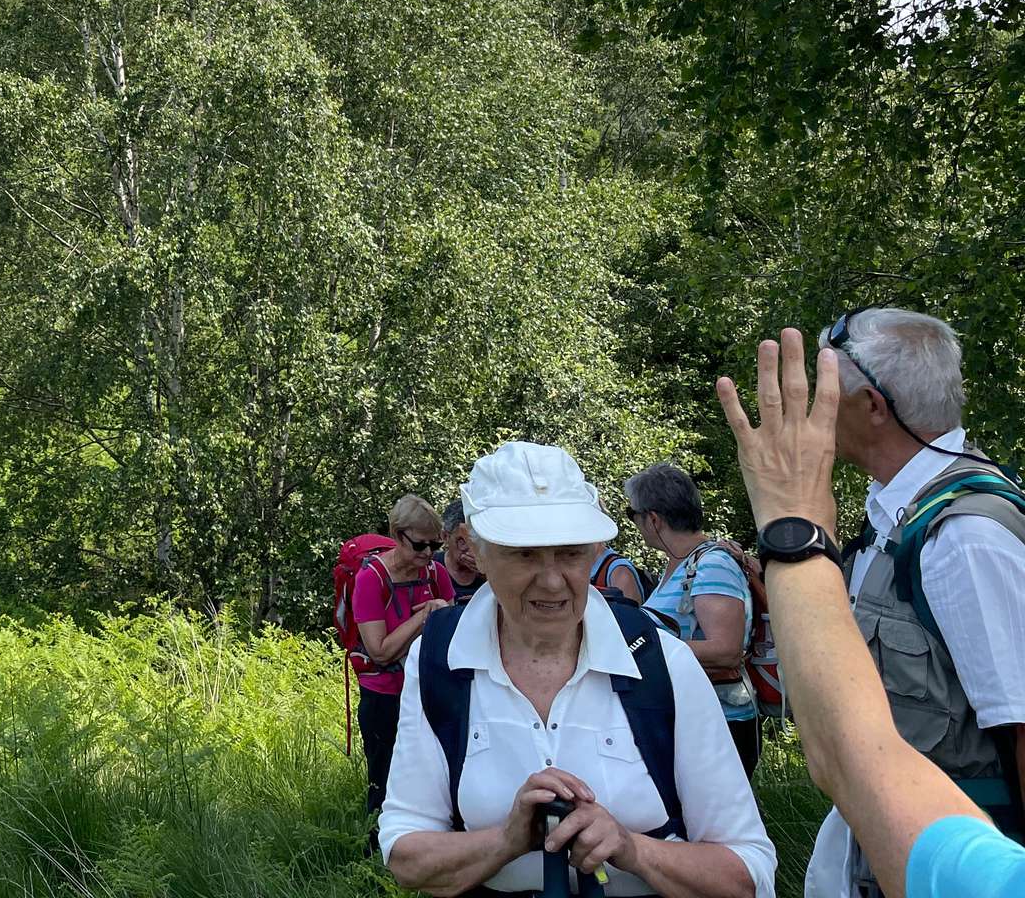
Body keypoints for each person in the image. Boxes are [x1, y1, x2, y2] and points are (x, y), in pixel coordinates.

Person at [381, 441, 774, 898]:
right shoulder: (439, 658)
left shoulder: (662, 662)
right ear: (475, 551)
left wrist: (631, 849)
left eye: (570, 553)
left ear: (595, 551)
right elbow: (406, 855)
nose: (552, 581)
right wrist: (507, 840)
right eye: (524, 554)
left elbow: (747, 872)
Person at [717, 328, 1025, 898]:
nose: (814, 406)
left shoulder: (965, 536)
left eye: (826, 389)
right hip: (900, 858)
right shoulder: (896, 516)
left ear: (873, 406)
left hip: (958, 866)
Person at [625, 462, 762, 779]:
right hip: (692, 718)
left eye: (633, 514)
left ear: (654, 519)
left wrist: (642, 647)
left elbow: (726, 650)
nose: (635, 524)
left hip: (720, 724)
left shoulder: (713, 564)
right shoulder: (682, 564)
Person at [354, 493, 457, 835]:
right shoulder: (370, 580)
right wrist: (425, 617)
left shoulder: (435, 573)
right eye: (420, 545)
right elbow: (380, 651)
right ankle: (375, 850)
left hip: (428, 689)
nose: (428, 553)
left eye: (435, 545)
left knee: (434, 773)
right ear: (398, 536)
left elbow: (452, 634)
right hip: (383, 695)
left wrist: (440, 613)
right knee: (383, 779)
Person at [441, 498, 487, 603]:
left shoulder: (492, 567)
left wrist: (487, 574)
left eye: (476, 540)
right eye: (462, 541)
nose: (471, 549)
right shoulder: (431, 569)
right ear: (445, 536)